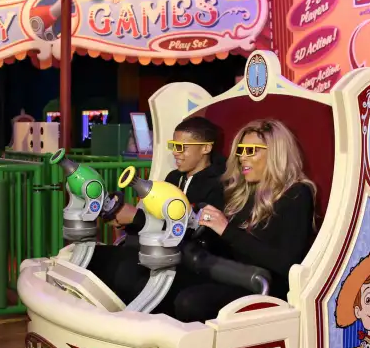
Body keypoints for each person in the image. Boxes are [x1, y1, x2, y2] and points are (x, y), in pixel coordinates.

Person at [163, 119, 316, 322]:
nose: (242, 157)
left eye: (251, 150)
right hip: (231, 275)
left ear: (276, 153)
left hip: (264, 285)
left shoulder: (297, 193)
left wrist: (226, 230)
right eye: (240, 150)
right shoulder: (239, 192)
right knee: (163, 283)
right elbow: (228, 248)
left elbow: (286, 263)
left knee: (190, 302)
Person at [88, 116, 225, 303]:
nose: (175, 153)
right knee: (95, 258)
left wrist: (136, 219)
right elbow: (154, 219)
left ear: (206, 148)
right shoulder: (173, 177)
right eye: (173, 146)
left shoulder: (218, 185)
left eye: (181, 147)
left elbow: (196, 234)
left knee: (127, 276)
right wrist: (124, 222)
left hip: (187, 259)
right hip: (155, 250)